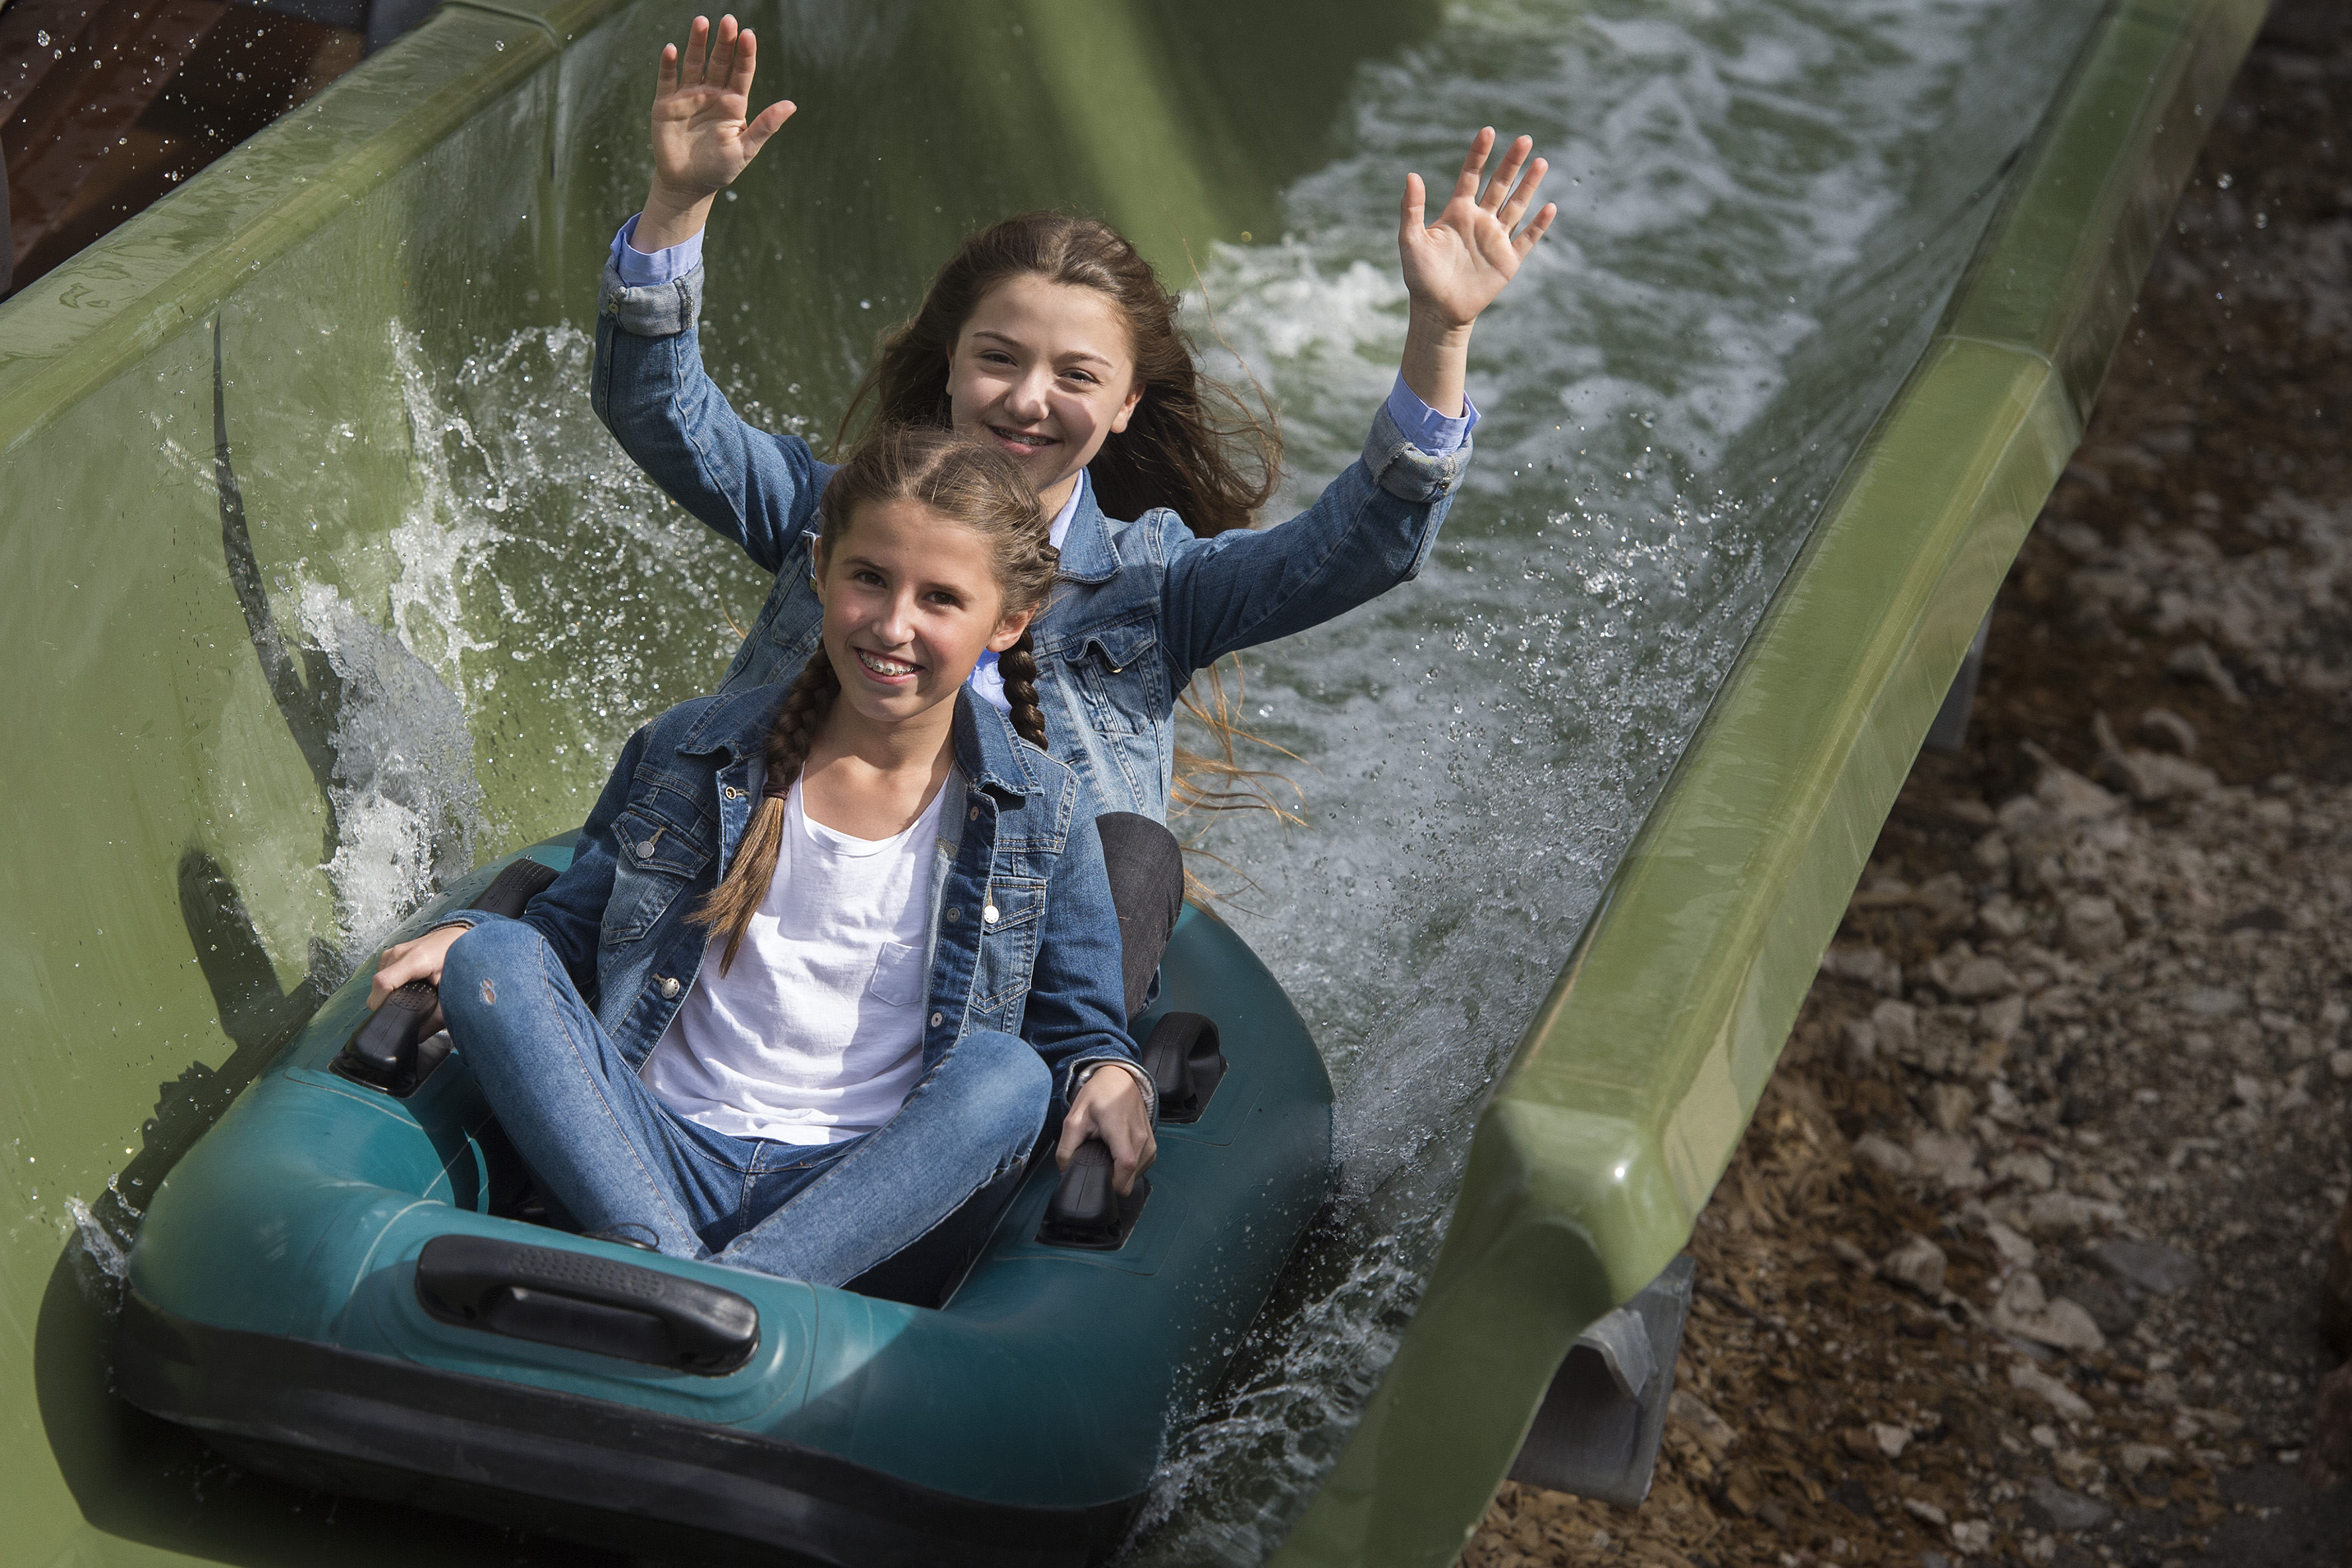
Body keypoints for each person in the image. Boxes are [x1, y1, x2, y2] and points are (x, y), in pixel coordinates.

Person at [593, 16, 1553, 988]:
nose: (1027, 400)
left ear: (1129, 402)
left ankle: (1078, 1085)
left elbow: (1363, 546)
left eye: (1076, 375)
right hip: (780, 918)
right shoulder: (832, 513)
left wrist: (1439, 332)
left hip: (1010, 984)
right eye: (998, 359)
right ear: (953, 365)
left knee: (1136, 854)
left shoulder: (1153, 585)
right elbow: (659, 407)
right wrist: (678, 204)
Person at [365, 427, 1156, 1284]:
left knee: (1007, 1074)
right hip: (646, 1153)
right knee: (495, 951)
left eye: (940, 599)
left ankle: (727, 1284)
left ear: (1007, 620)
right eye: (869, 578)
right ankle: (686, 1269)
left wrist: (1111, 1071)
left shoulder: (1043, 806)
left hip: (865, 1192)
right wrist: (473, 935)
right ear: (819, 571)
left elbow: (1080, 1025)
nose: (893, 625)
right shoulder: (687, 748)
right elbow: (568, 930)